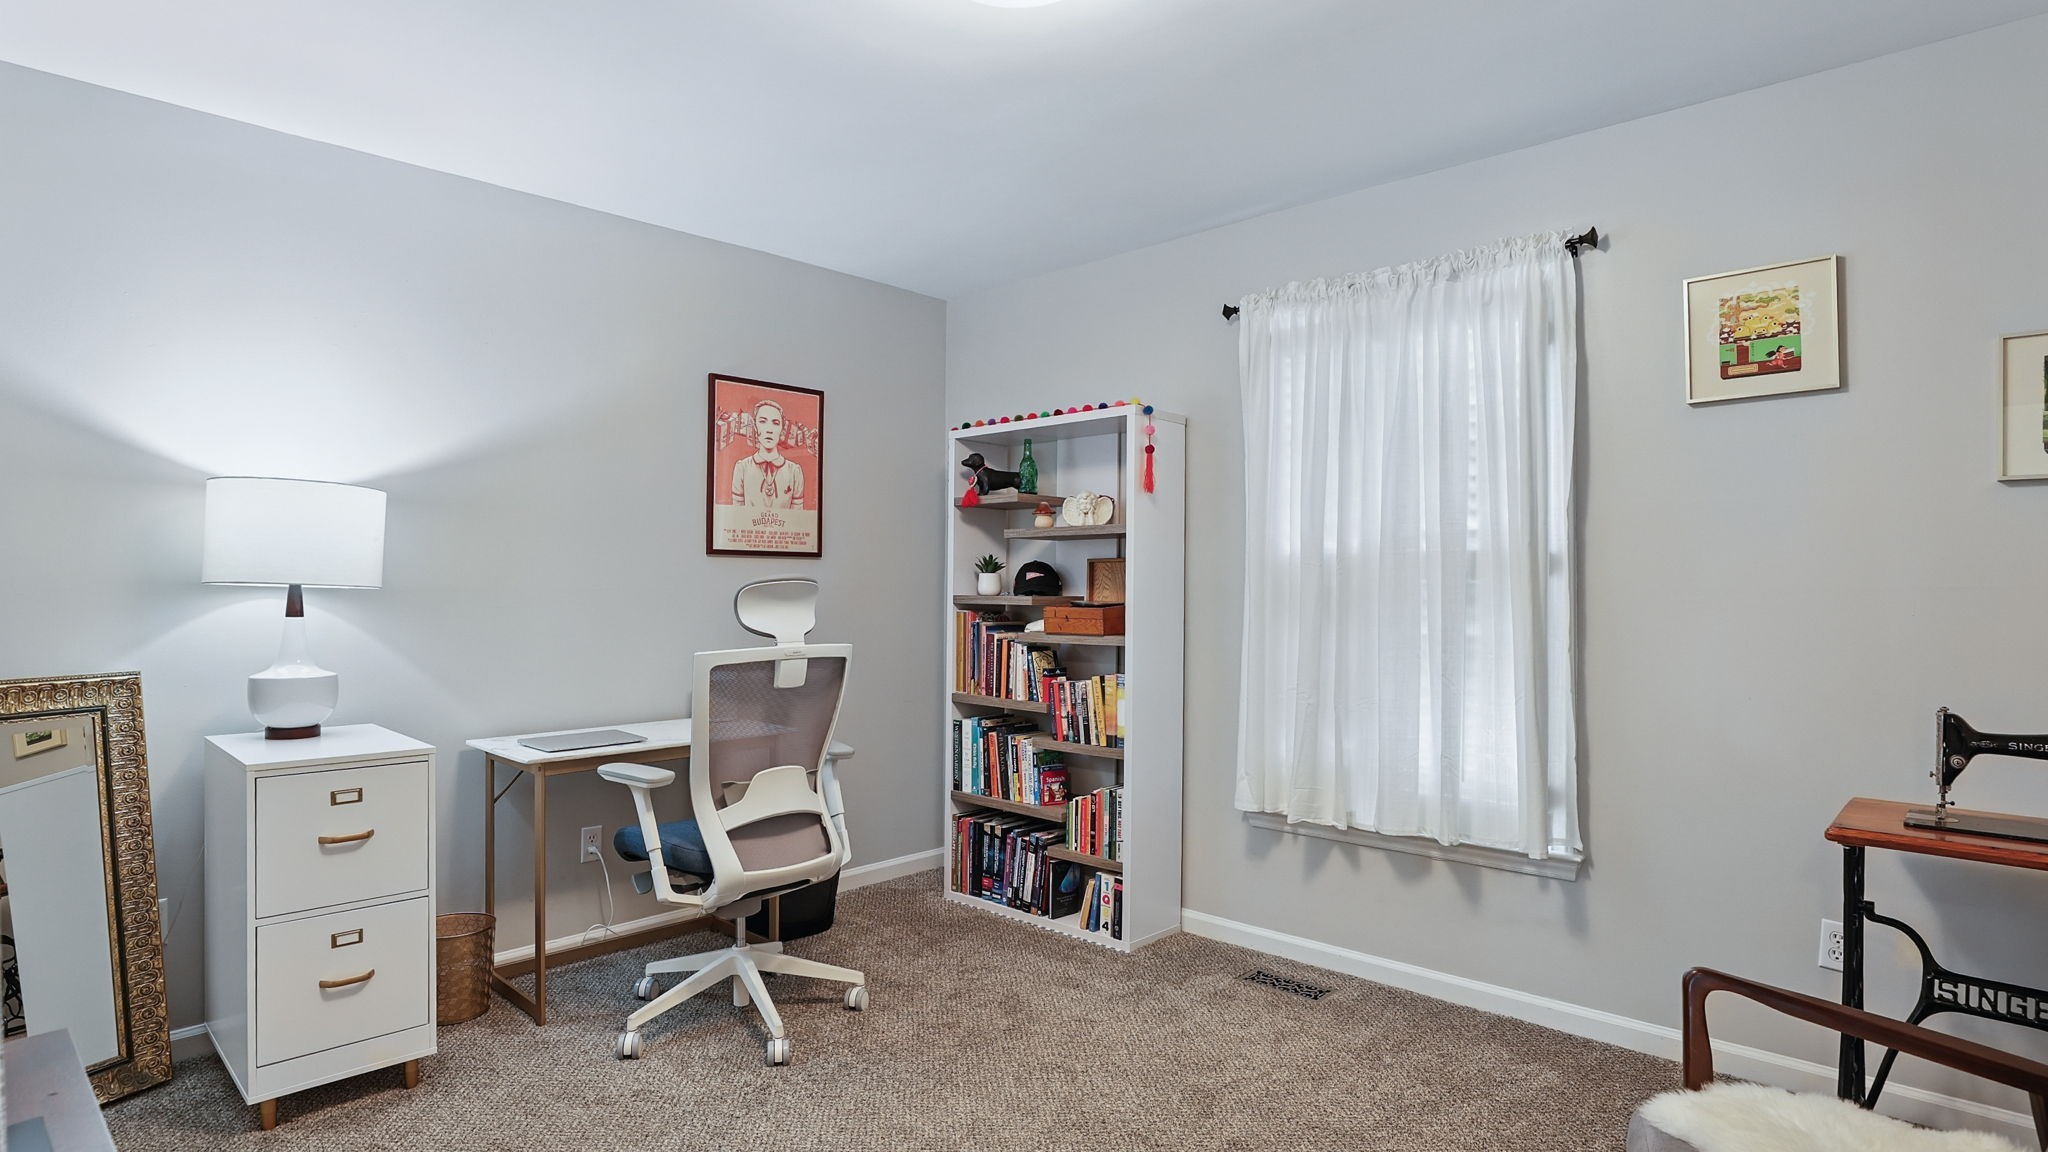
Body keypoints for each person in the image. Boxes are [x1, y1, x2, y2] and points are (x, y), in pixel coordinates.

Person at [730, 399, 806, 509]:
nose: (769, 429)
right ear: (755, 427)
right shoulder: (742, 468)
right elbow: (737, 516)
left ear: (782, 429)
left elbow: (797, 518)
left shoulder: (794, 471)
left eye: (775, 423)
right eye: (762, 421)